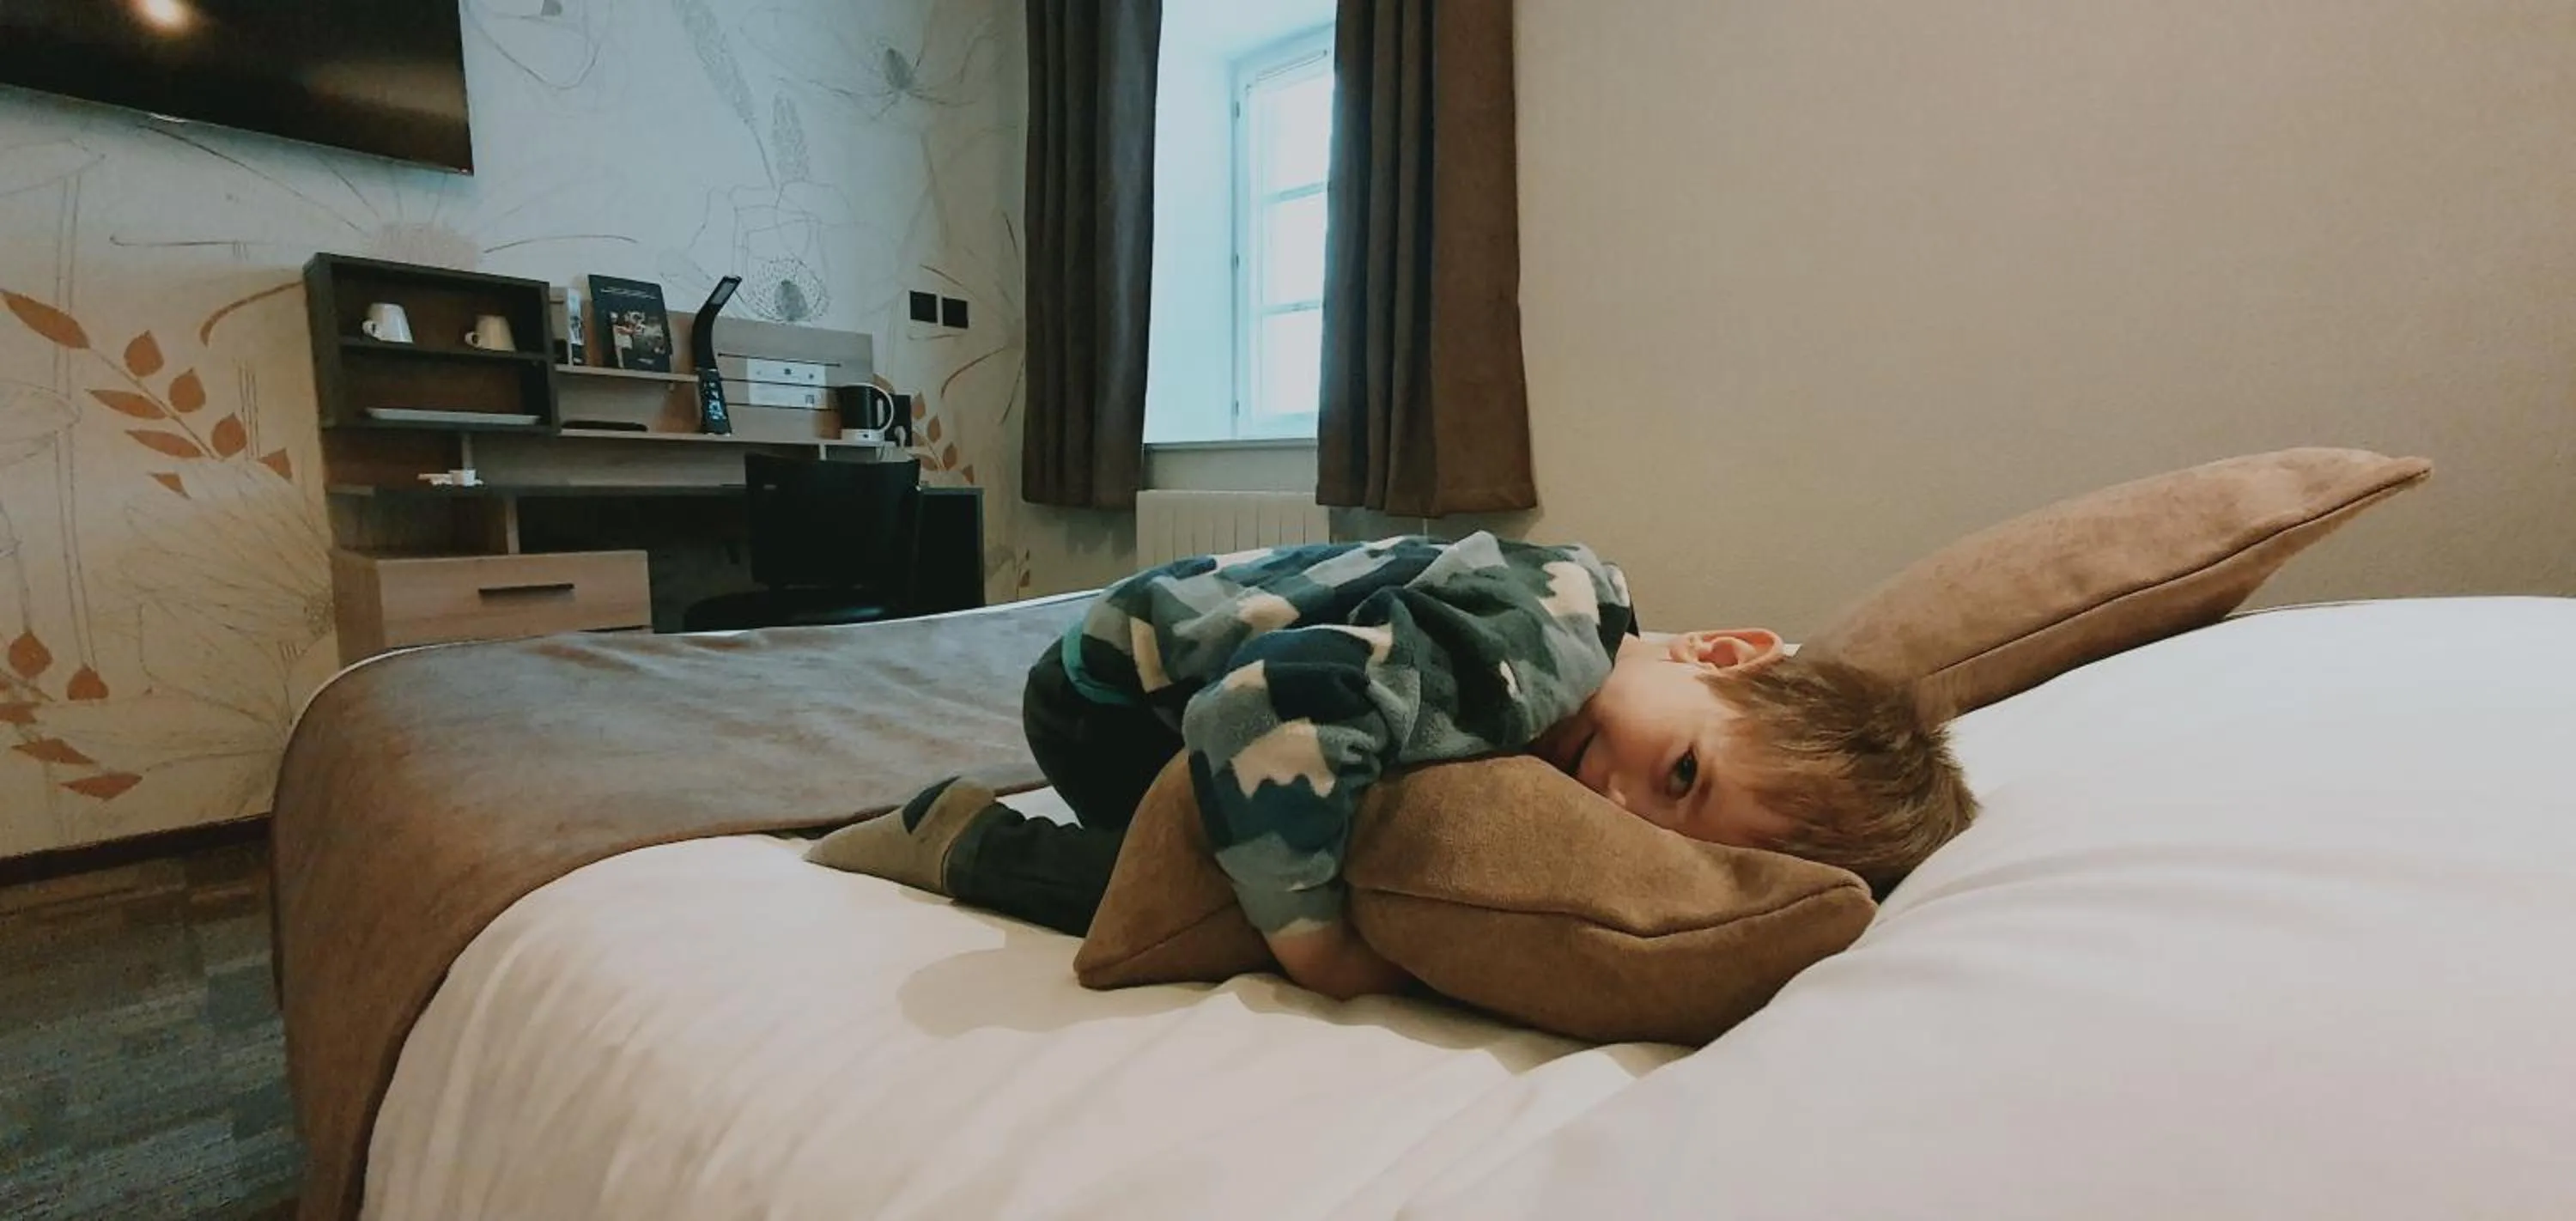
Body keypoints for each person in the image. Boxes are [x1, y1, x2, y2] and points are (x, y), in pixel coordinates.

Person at [809, 533, 1976, 999]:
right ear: (1721, 655)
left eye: (1659, 826)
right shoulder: (1546, 648)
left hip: (1150, 670)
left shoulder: (1581, 660)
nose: (1610, 805)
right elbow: (1258, 711)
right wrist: (1313, 941)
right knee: (1203, 890)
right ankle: (961, 835)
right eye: (1679, 774)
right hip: (1115, 689)